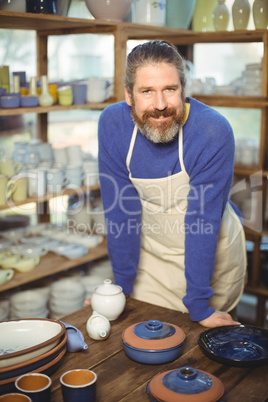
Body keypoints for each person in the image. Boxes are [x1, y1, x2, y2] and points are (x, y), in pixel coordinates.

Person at [97, 40, 247, 328]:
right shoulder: (113, 125)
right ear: (129, 95)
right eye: (147, 92)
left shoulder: (212, 131)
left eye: (170, 89)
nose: (161, 105)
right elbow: (121, 211)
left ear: (183, 88)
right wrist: (122, 288)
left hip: (211, 254)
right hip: (154, 256)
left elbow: (201, 220)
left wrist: (200, 305)